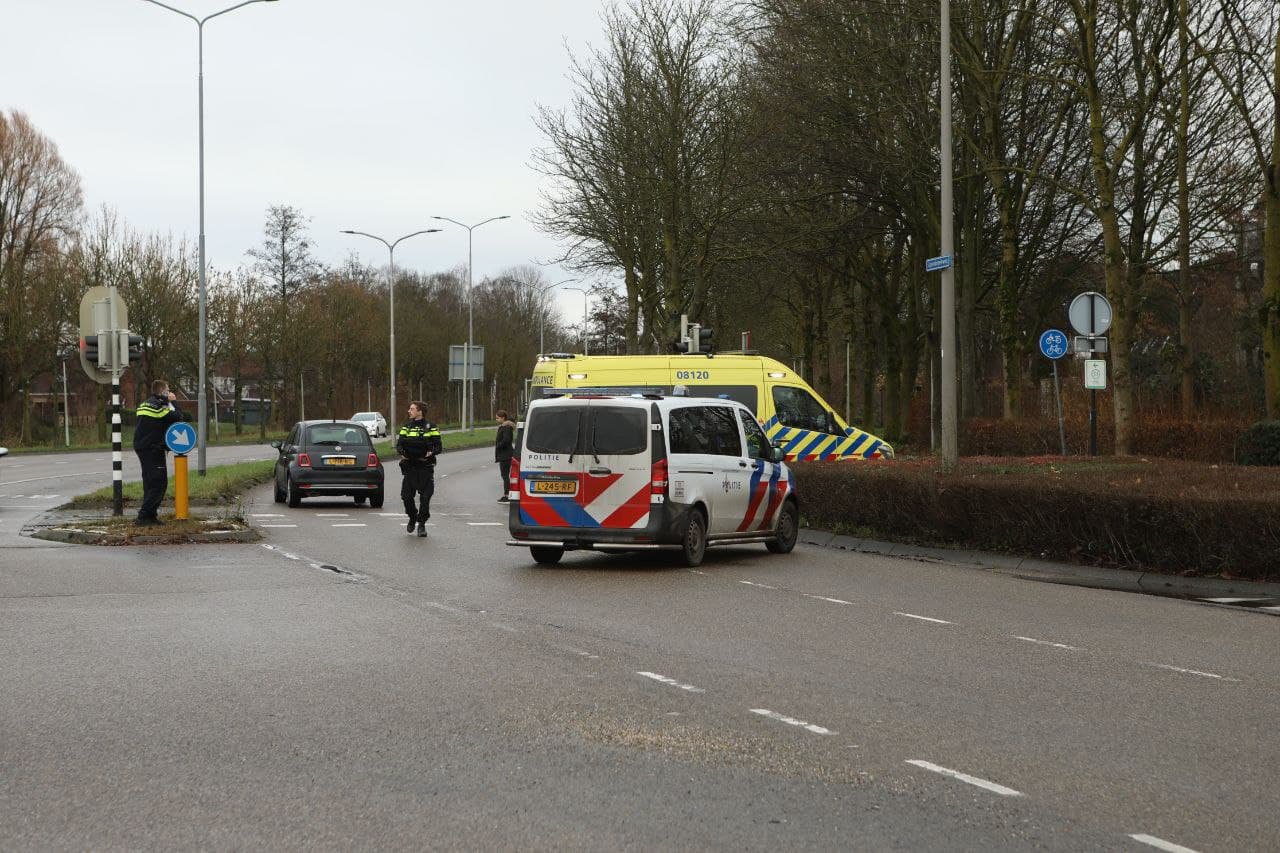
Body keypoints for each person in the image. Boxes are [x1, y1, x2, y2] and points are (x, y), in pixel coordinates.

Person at [132, 379, 183, 526]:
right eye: (168, 389)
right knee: (159, 483)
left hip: (144, 447)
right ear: (163, 392)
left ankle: (150, 516)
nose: (170, 392)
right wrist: (174, 401)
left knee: (149, 482)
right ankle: (143, 517)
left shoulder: (146, 403)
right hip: (153, 448)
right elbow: (178, 416)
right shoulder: (158, 406)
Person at [396, 401, 442, 537]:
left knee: (425, 498)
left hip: (425, 467)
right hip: (410, 467)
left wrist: (431, 453)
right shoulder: (406, 427)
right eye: (409, 409)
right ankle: (412, 516)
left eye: (412, 409)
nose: (409, 411)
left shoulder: (431, 427)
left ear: (420, 411)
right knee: (406, 497)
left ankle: (421, 524)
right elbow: (399, 445)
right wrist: (401, 452)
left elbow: (438, 447)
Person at [494, 410, 516, 502]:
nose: (496, 420)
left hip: (505, 455)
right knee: (505, 475)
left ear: (503, 418)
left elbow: (506, 440)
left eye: (497, 418)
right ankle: (507, 494)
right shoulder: (505, 427)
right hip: (505, 455)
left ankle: (507, 495)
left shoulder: (506, 427)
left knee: (505, 476)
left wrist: (499, 445)